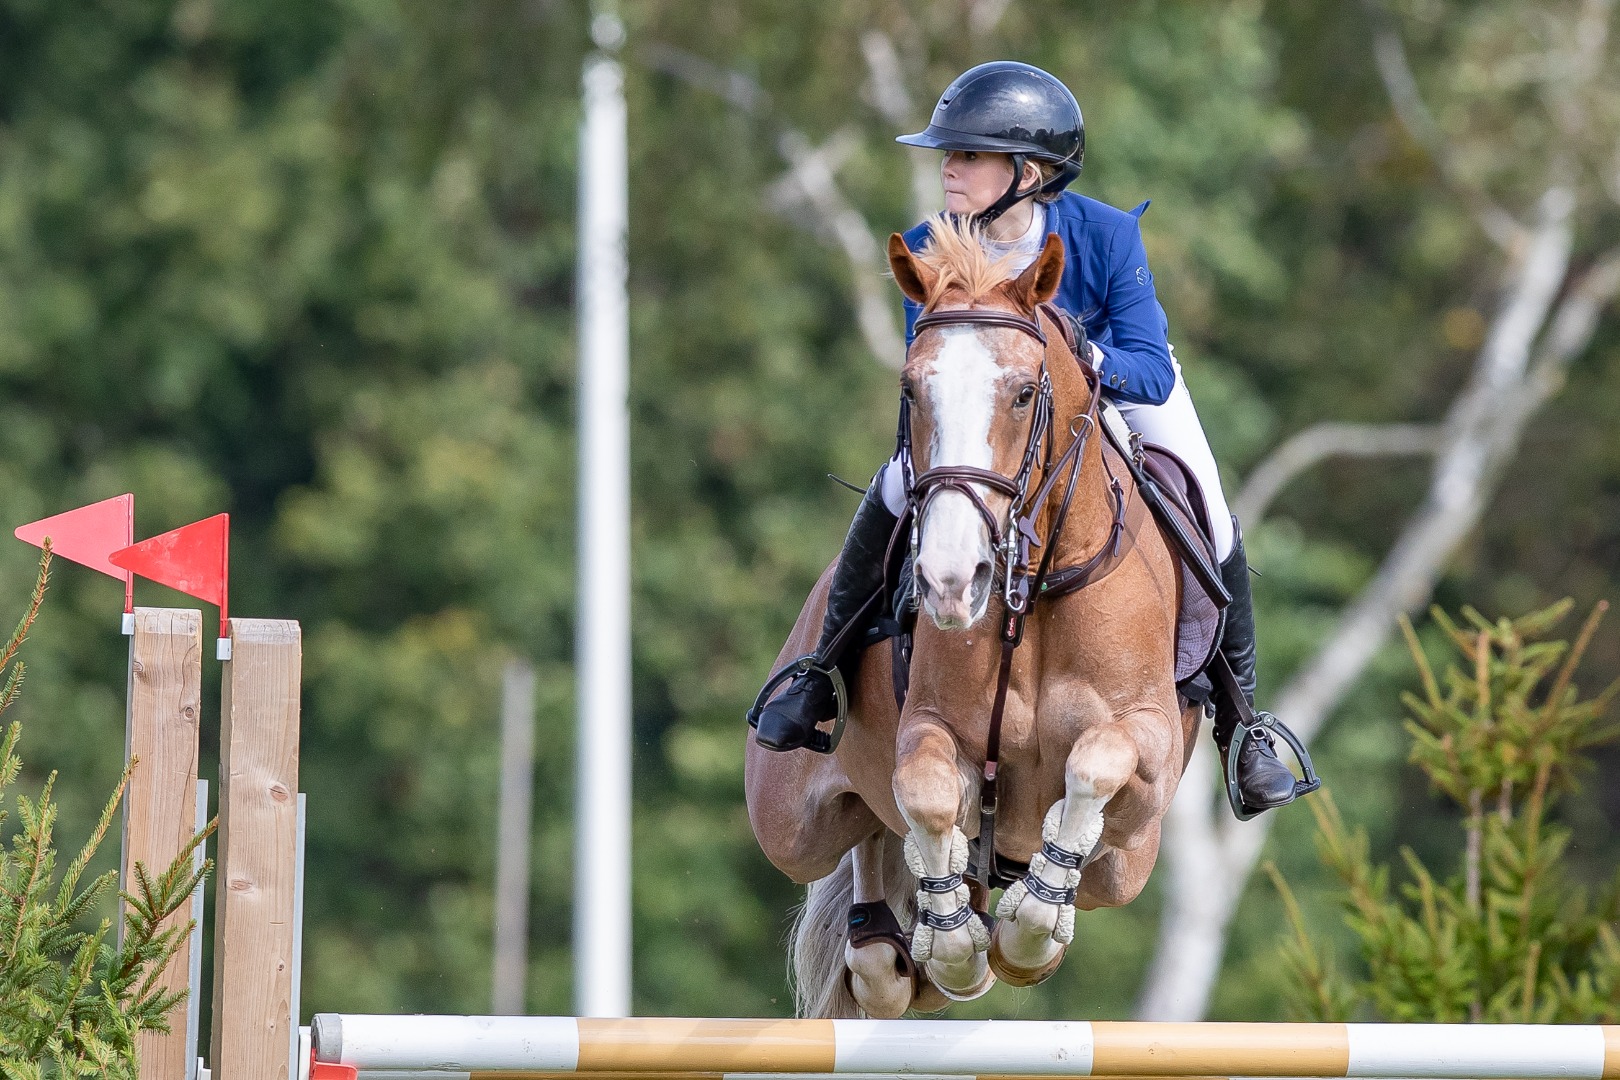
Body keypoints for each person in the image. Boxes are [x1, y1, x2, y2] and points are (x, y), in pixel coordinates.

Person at [752, 61, 1299, 817]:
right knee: (891, 486)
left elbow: (1148, 368)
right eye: (952, 153)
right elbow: (934, 363)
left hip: (1113, 393)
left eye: (969, 154)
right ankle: (821, 671)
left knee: (1206, 501)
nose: (949, 168)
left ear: (1029, 173)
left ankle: (1243, 728)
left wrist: (1070, 360)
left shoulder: (1105, 235)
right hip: (989, 414)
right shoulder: (928, 244)